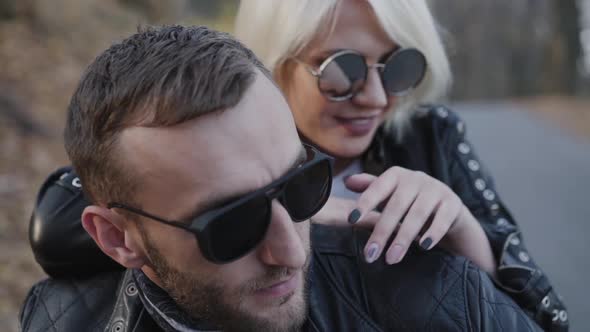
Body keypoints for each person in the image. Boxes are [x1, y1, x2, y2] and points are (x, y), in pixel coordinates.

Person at [20, 25, 542, 331]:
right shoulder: (57, 318)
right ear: (116, 238)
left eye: (301, 187)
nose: (291, 252)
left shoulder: (420, 289)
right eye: (232, 223)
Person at [233, 0, 568, 330]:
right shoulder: (225, 165)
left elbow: (541, 319)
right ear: (271, 63)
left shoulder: (432, 136)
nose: (376, 98)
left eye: (398, 65)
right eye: (341, 68)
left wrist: (462, 229)